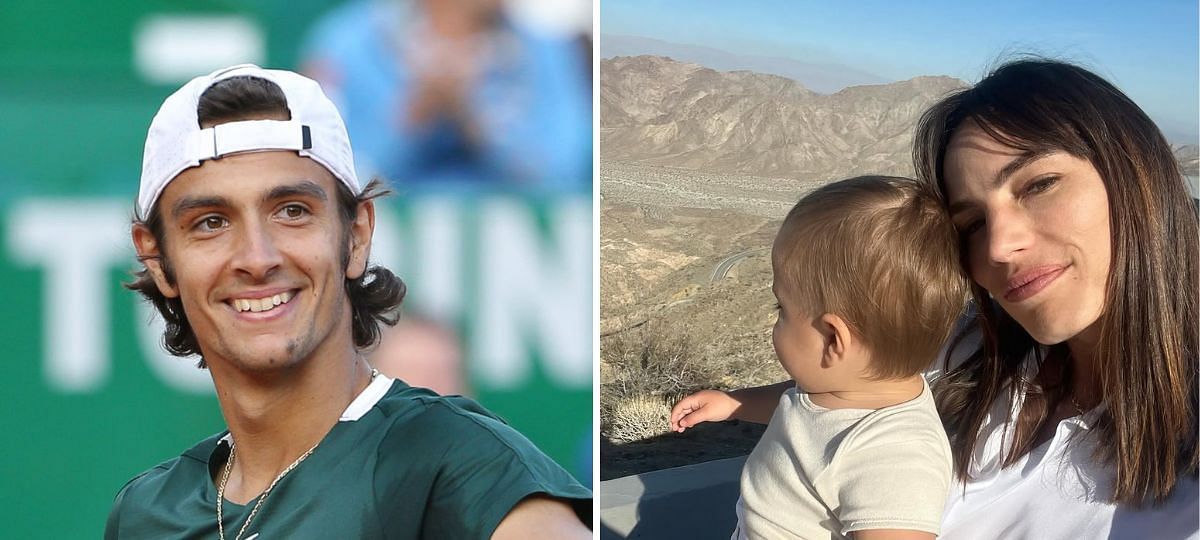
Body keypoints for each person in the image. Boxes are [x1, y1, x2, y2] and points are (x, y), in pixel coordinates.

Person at [672, 58, 1199, 539]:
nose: (998, 244)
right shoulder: (963, 353)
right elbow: (837, 394)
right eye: (970, 223)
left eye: (1039, 185)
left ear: (1136, 175)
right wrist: (738, 402)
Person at [104, 64, 591, 539]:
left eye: (292, 211)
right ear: (157, 258)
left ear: (356, 235)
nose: (257, 257)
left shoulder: (461, 466)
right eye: (211, 221)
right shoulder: (146, 514)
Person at [673, 176, 970, 539]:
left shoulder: (896, 456)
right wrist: (734, 403)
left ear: (832, 339)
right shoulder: (841, 390)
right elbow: (799, 408)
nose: (776, 319)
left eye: (780, 308)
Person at [301, 0, 591, 193]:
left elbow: (565, 173)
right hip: (385, 249)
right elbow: (323, 174)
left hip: (516, 255)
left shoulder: (548, 51)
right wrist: (416, 117)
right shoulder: (347, 43)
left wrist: (478, 126)